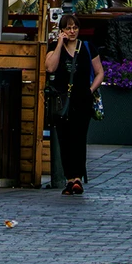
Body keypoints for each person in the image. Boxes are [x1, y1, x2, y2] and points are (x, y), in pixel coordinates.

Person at [46, 14, 104, 196]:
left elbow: (99, 72)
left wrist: (90, 90)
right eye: (68, 28)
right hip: (61, 100)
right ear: (61, 30)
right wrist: (58, 45)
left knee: (78, 139)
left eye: (75, 28)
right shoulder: (55, 48)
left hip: (82, 99)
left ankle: (77, 178)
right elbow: (50, 68)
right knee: (64, 140)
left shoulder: (87, 47)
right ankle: (69, 179)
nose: (72, 31)